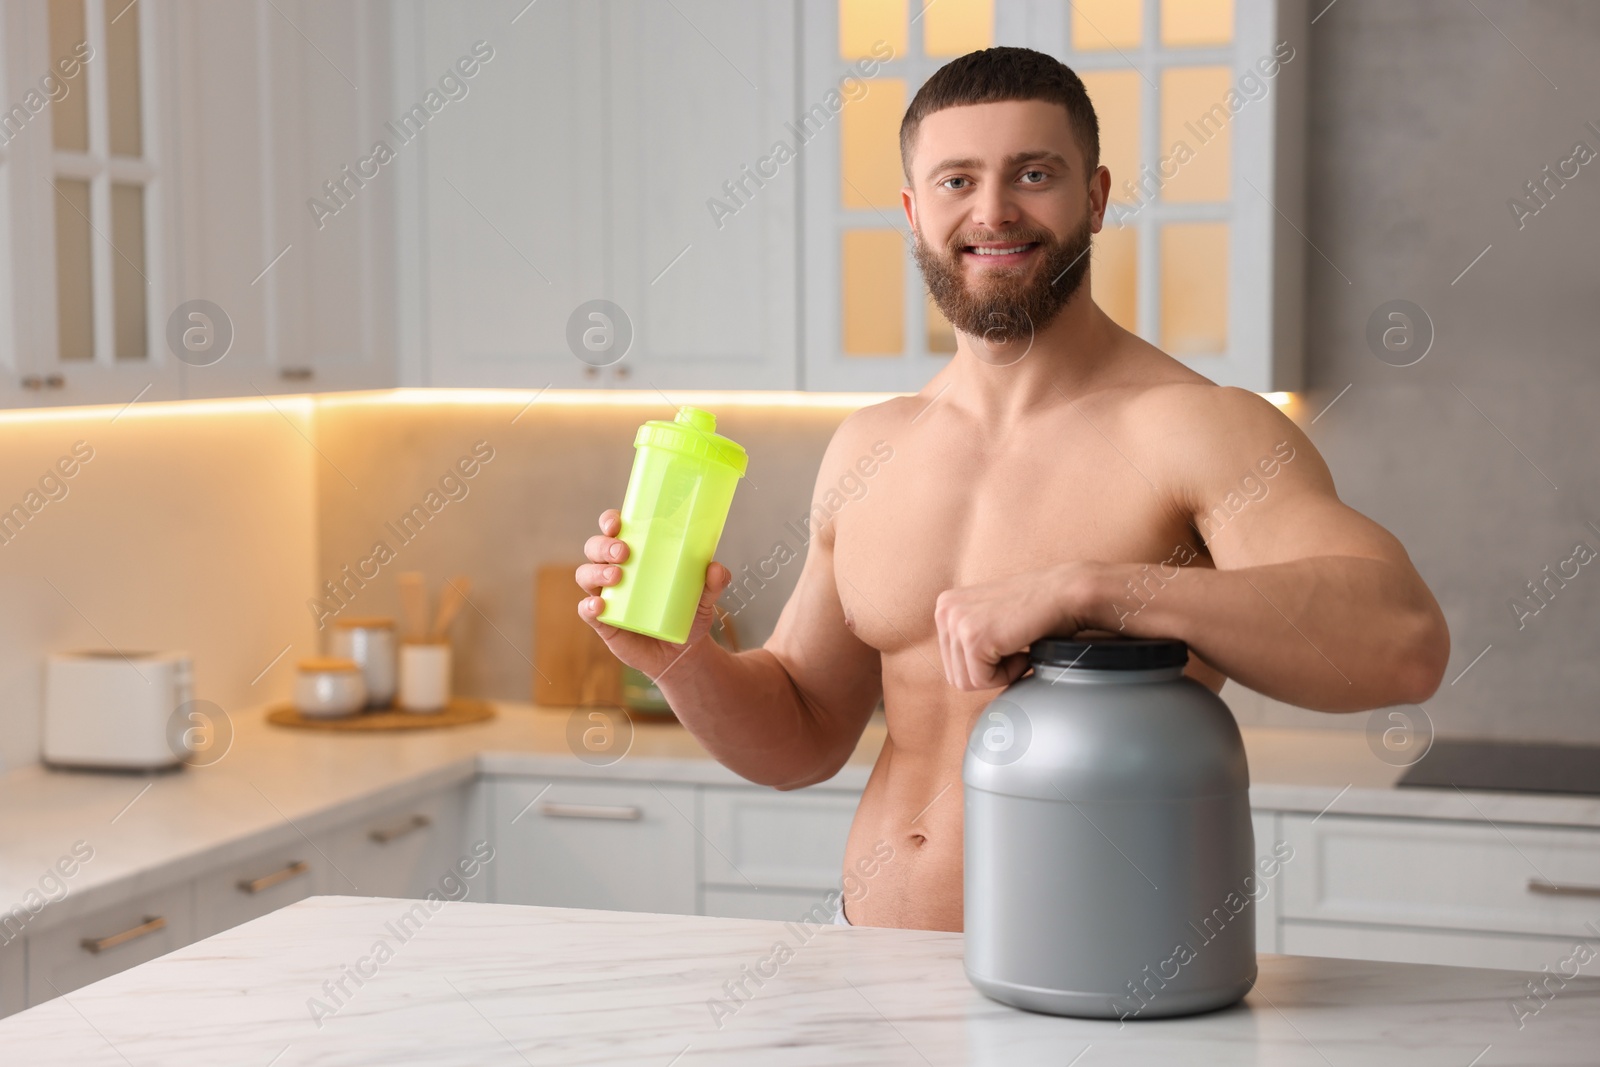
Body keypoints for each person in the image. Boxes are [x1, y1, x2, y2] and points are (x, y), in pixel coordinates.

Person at [577, 47, 1449, 932]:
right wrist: (680, 657)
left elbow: (1403, 641)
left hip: (1096, 989)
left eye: (1034, 174)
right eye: (957, 180)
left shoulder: (1197, 427)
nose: (992, 211)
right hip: (871, 961)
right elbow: (801, 735)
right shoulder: (870, 447)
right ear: (915, 214)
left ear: (1096, 197)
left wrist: (1093, 589)